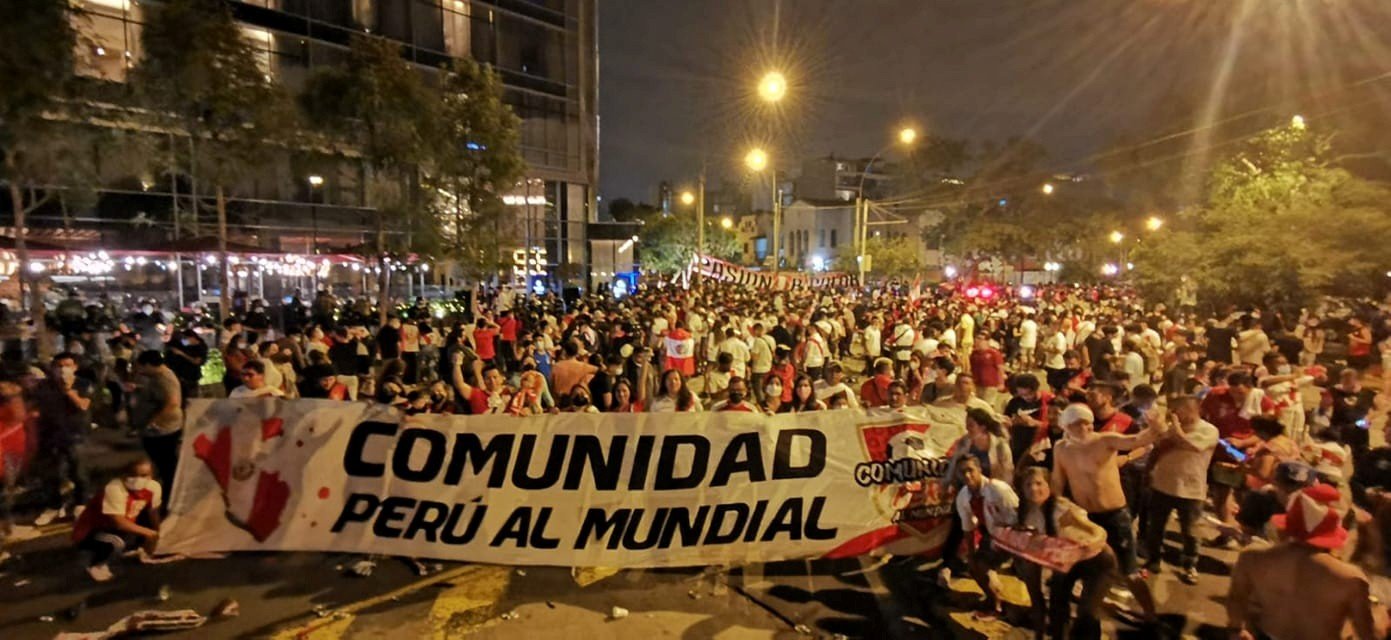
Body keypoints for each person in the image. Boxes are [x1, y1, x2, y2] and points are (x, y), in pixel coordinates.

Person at [1051, 402, 1164, 621]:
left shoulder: (1105, 440)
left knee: (1129, 572)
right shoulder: (1061, 449)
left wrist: (1155, 427)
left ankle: (1152, 616)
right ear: (1067, 426)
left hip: (1115, 515)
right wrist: (1057, 507)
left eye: (1087, 422)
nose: (1084, 428)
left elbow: (1136, 440)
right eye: (1077, 424)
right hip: (1086, 519)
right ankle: (1090, 608)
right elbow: (1057, 479)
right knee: (1085, 567)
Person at [1226, 484, 1378, 640]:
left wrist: (1236, 629)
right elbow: (1366, 633)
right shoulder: (1350, 579)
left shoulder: (1252, 557)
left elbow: (1236, 599)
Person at [1012, 466, 1114, 640]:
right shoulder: (1026, 515)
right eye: (1028, 484)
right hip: (1067, 564)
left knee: (1087, 613)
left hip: (1097, 562)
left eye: (1038, 483)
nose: (1033, 489)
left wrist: (1090, 543)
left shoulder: (1062, 509)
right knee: (1057, 609)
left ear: (1049, 485)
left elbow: (1098, 531)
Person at [1142, 394, 1217, 584]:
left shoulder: (1208, 431)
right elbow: (1157, 450)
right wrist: (1148, 471)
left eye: (1180, 410)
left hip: (1191, 490)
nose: (1176, 414)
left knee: (1190, 531)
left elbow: (1190, 445)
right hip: (1162, 485)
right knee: (1155, 527)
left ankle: (1189, 565)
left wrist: (1173, 427)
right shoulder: (1169, 429)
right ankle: (1153, 559)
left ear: (1193, 410)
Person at [71, 458, 162, 582]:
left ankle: (135, 547)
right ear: (124, 475)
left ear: (151, 476)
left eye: (143, 475)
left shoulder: (153, 488)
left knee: (144, 522)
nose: (138, 479)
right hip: (92, 529)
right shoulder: (114, 488)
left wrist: (157, 532)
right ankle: (96, 564)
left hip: (120, 524)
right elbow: (118, 522)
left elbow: (153, 511)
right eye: (133, 474)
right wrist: (149, 533)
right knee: (116, 542)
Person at [954, 456, 1019, 620]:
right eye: (963, 472)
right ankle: (995, 603)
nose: (967, 476)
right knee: (974, 565)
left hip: (1013, 536)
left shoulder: (998, 489)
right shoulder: (963, 496)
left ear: (979, 470)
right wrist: (971, 554)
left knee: (1029, 578)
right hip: (992, 536)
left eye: (971, 470)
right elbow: (967, 527)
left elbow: (1017, 517)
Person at [32, 353, 93, 526]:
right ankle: (54, 505)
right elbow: (36, 406)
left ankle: (81, 503)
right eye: (58, 366)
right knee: (51, 474)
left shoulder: (83, 383)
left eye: (67, 365)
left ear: (75, 367)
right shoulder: (43, 386)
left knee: (79, 472)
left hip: (75, 434)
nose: (62, 369)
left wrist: (67, 390)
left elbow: (83, 405)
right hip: (50, 435)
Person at [130, 351, 183, 491]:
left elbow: (172, 403)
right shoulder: (157, 377)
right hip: (156, 429)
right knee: (161, 462)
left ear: (148, 365)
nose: (139, 371)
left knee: (166, 464)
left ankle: (168, 493)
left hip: (163, 430)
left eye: (140, 367)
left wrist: (152, 422)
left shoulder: (165, 379)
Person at [944, 408, 1015, 486]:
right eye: (967, 425)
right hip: (968, 486)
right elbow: (953, 465)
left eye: (971, 425)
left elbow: (1007, 473)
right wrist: (945, 484)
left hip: (992, 488)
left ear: (983, 427)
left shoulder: (1000, 445)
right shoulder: (964, 442)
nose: (967, 428)